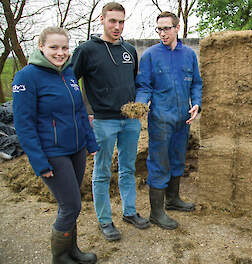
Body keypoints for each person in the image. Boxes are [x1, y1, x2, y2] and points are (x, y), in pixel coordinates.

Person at [13, 26, 99, 264]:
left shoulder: (68, 73)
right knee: (70, 205)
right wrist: (40, 162)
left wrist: (90, 143)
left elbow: (80, 110)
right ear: (41, 47)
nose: (60, 53)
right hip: (52, 153)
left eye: (64, 47)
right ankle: (60, 257)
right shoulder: (27, 77)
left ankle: (73, 250)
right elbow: (24, 126)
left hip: (76, 150)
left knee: (73, 204)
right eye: (53, 47)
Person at [71, 2, 149, 241]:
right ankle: (105, 220)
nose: (117, 26)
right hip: (103, 122)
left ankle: (129, 212)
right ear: (102, 20)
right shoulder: (86, 50)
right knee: (102, 172)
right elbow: (71, 83)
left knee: (127, 168)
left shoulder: (129, 50)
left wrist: (139, 104)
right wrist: (86, 112)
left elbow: (135, 81)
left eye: (121, 21)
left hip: (129, 121)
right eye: (112, 21)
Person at [135, 11, 203, 230]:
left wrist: (197, 103)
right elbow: (144, 86)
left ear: (176, 28)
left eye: (166, 28)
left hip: (182, 118)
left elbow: (196, 83)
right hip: (161, 119)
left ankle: (173, 200)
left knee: (177, 159)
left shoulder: (189, 55)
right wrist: (140, 104)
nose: (162, 33)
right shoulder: (150, 55)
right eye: (159, 29)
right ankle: (156, 212)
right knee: (159, 163)